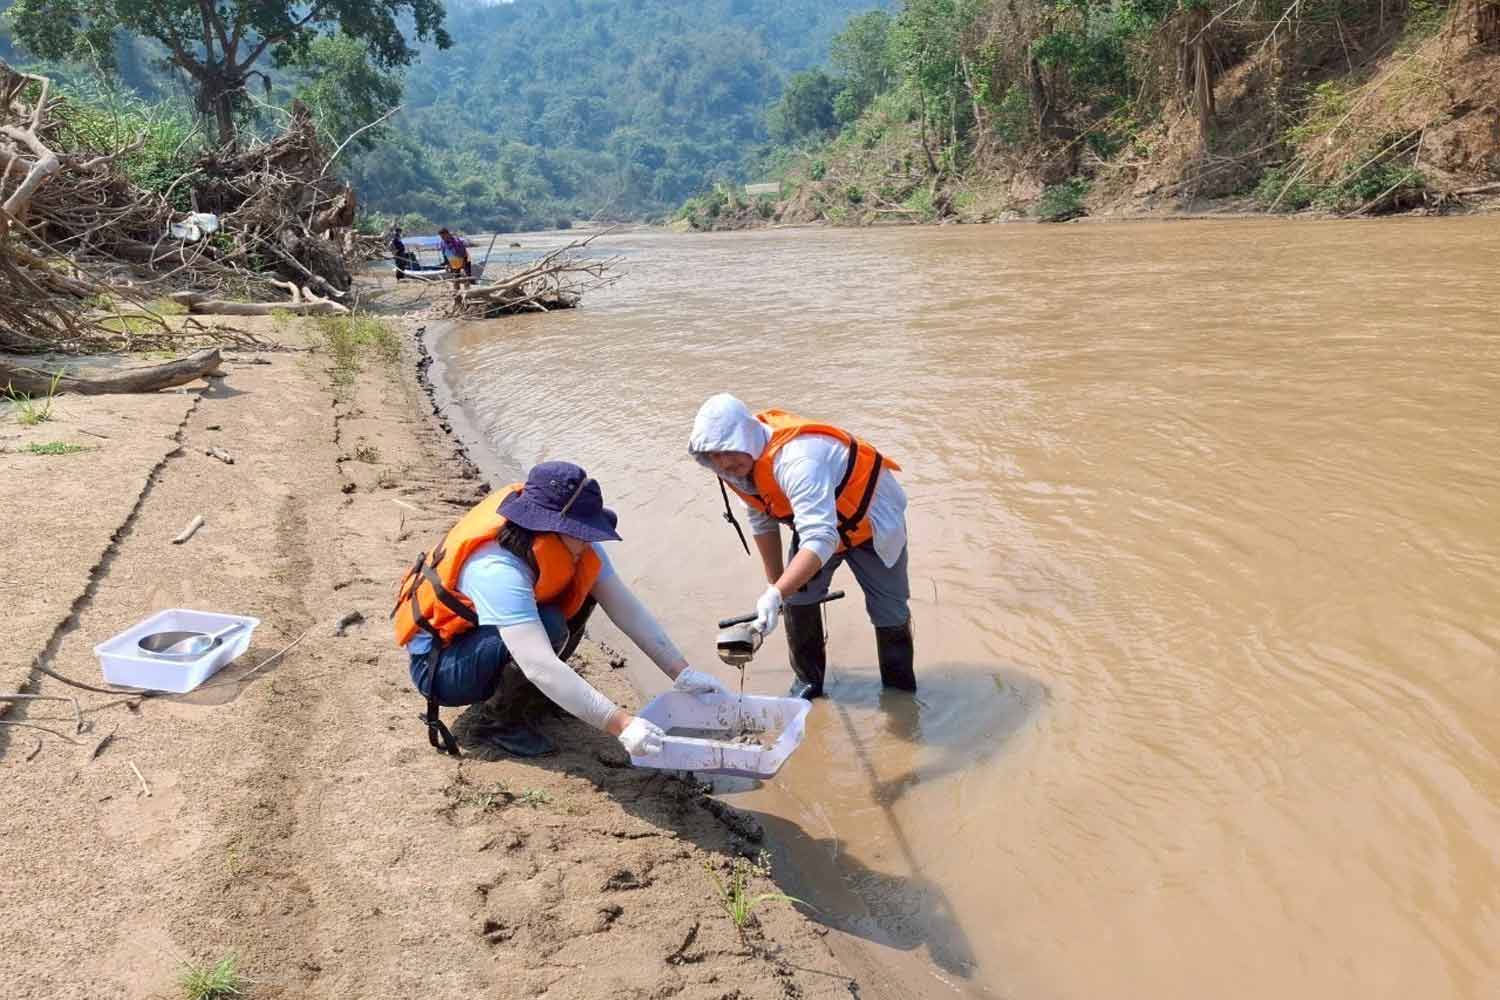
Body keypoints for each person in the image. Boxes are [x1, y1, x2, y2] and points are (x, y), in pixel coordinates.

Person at [393, 460, 728, 758]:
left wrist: (682, 673)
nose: (588, 539)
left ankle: (536, 698)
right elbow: (539, 665)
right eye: (581, 531)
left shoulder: (570, 544)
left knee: (584, 591)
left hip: (482, 638)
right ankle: (496, 724)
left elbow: (625, 608)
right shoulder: (497, 567)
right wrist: (622, 725)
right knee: (551, 625)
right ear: (548, 525)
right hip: (443, 668)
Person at [688, 394, 915, 700]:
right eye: (715, 455)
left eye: (729, 449)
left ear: (746, 436)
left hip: (871, 523)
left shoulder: (798, 461)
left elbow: (821, 537)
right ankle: (808, 683)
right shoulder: (736, 469)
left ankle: (899, 694)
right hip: (816, 526)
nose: (725, 462)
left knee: (889, 610)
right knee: (797, 599)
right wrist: (776, 588)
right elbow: (761, 519)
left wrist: (777, 593)